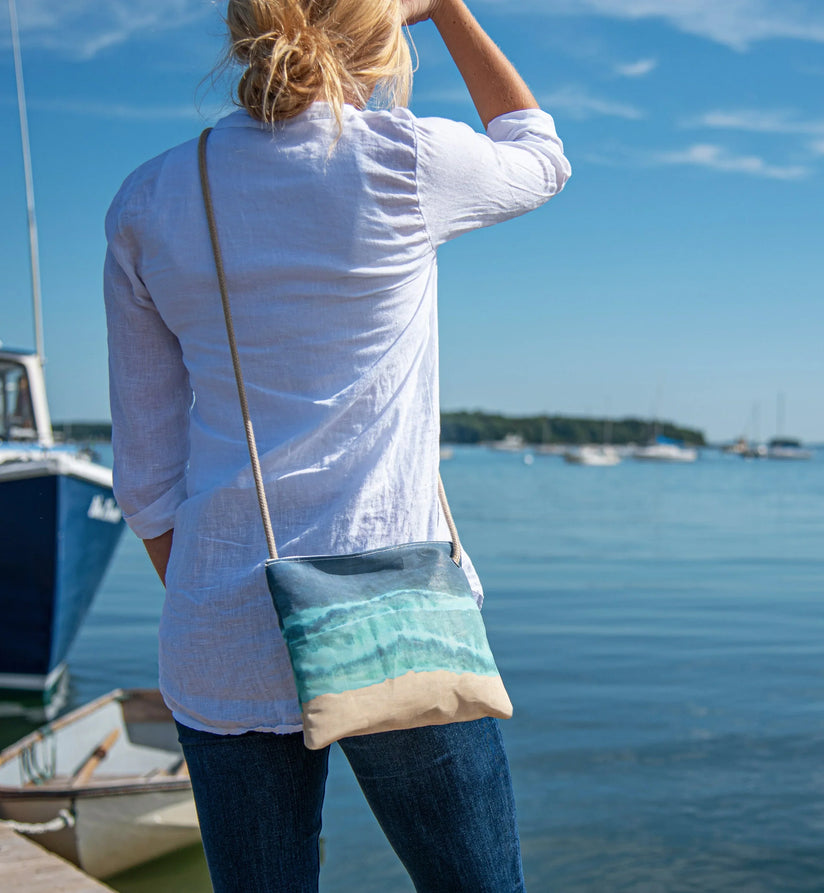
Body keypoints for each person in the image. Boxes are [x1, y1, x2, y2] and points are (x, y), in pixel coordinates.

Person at [103, 0, 569, 889]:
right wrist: (454, 10)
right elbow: (540, 154)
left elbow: (147, 477)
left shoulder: (151, 198)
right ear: (383, 28)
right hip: (395, 612)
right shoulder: (403, 158)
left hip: (224, 622)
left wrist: (239, 603)